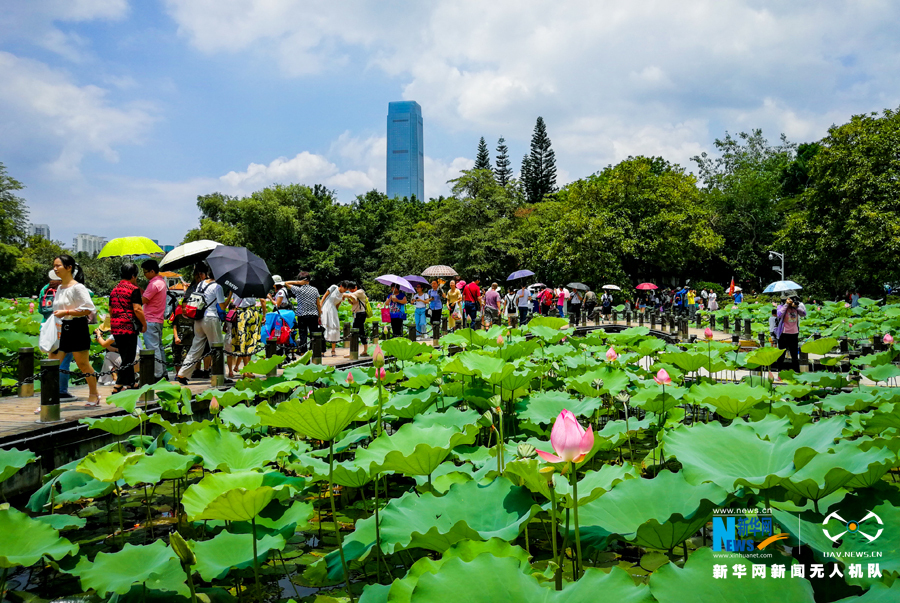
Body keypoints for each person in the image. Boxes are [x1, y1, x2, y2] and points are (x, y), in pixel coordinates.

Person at [47, 255, 100, 407]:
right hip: (60, 329)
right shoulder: (59, 288)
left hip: (77, 327)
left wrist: (67, 312)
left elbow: (89, 309)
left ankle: (93, 394)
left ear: (69, 267)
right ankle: (48, 399)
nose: (55, 269)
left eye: (58, 266)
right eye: (54, 266)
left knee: (83, 364)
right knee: (51, 364)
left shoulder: (78, 287)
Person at [176, 263, 232, 384]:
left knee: (196, 346)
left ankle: (182, 374)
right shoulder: (217, 287)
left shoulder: (201, 284)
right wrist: (229, 297)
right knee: (217, 347)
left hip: (198, 318)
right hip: (211, 318)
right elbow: (222, 307)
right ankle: (219, 375)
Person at [109, 262, 146, 393]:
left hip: (116, 326)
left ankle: (131, 383)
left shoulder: (114, 290)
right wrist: (144, 324)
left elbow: (111, 310)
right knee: (128, 357)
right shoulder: (133, 289)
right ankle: (118, 385)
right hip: (129, 327)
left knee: (125, 354)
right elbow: (137, 309)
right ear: (133, 275)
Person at [141, 260, 168, 380]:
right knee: (159, 347)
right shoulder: (161, 282)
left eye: (146, 272)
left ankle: (157, 374)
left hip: (150, 319)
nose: (144, 275)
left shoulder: (153, 284)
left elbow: (144, 300)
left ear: (152, 271)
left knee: (152, 348)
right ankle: (163, 372)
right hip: (158, 319)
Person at [284, 271, 321, 354]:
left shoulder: (298, 289)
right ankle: (314, 351)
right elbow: (318, 304)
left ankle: (303, 351)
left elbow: (286, 283)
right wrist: (320, 315)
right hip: (313, 314)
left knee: (303, 334)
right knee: (313, 333)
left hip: (302, 315)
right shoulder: (315, 290)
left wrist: (298, 283)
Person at [232, 294, 263, 375]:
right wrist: (264, 315)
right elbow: (262, 301)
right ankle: (248, 370)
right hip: (252, 313)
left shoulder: (235, 287)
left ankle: (247, 369)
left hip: (240, 314)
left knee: (243, 342)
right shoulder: (253, 286)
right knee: (250, 343)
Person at [775, 295, 806, 372]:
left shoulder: (796, 307)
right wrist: (786, 305)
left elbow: (803, 314)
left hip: (794, 333)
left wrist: (796, 307)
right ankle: (779, 371)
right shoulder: (781, 306)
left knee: (794, 355)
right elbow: (779, 315)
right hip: (784, 333)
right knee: (781, 354)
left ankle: (796, 372)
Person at [320, 281, 347, 356]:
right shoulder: (333, 287)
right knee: (324, 328)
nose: (344, 291)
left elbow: (338, 304)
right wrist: (320, 305)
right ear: (341, 286)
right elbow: (325, 296)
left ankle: (333, 350)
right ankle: (322, 350)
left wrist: (335, 313)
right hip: (325, 308)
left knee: (334, 329)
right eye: (344, 288)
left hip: (333, 311)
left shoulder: (342, 295)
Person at [345, 282, 370, 355]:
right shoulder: (356, 293)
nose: (351, 291)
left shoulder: (360, 291)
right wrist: (350, 302)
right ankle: (363, 350)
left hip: (361, 314)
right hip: (357, 314)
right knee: (359, 331)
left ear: (355, 287)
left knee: (356, 331)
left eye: (351, 289)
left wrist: (341, 294)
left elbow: (349, 295)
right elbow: (355, 303)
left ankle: (354, 352)